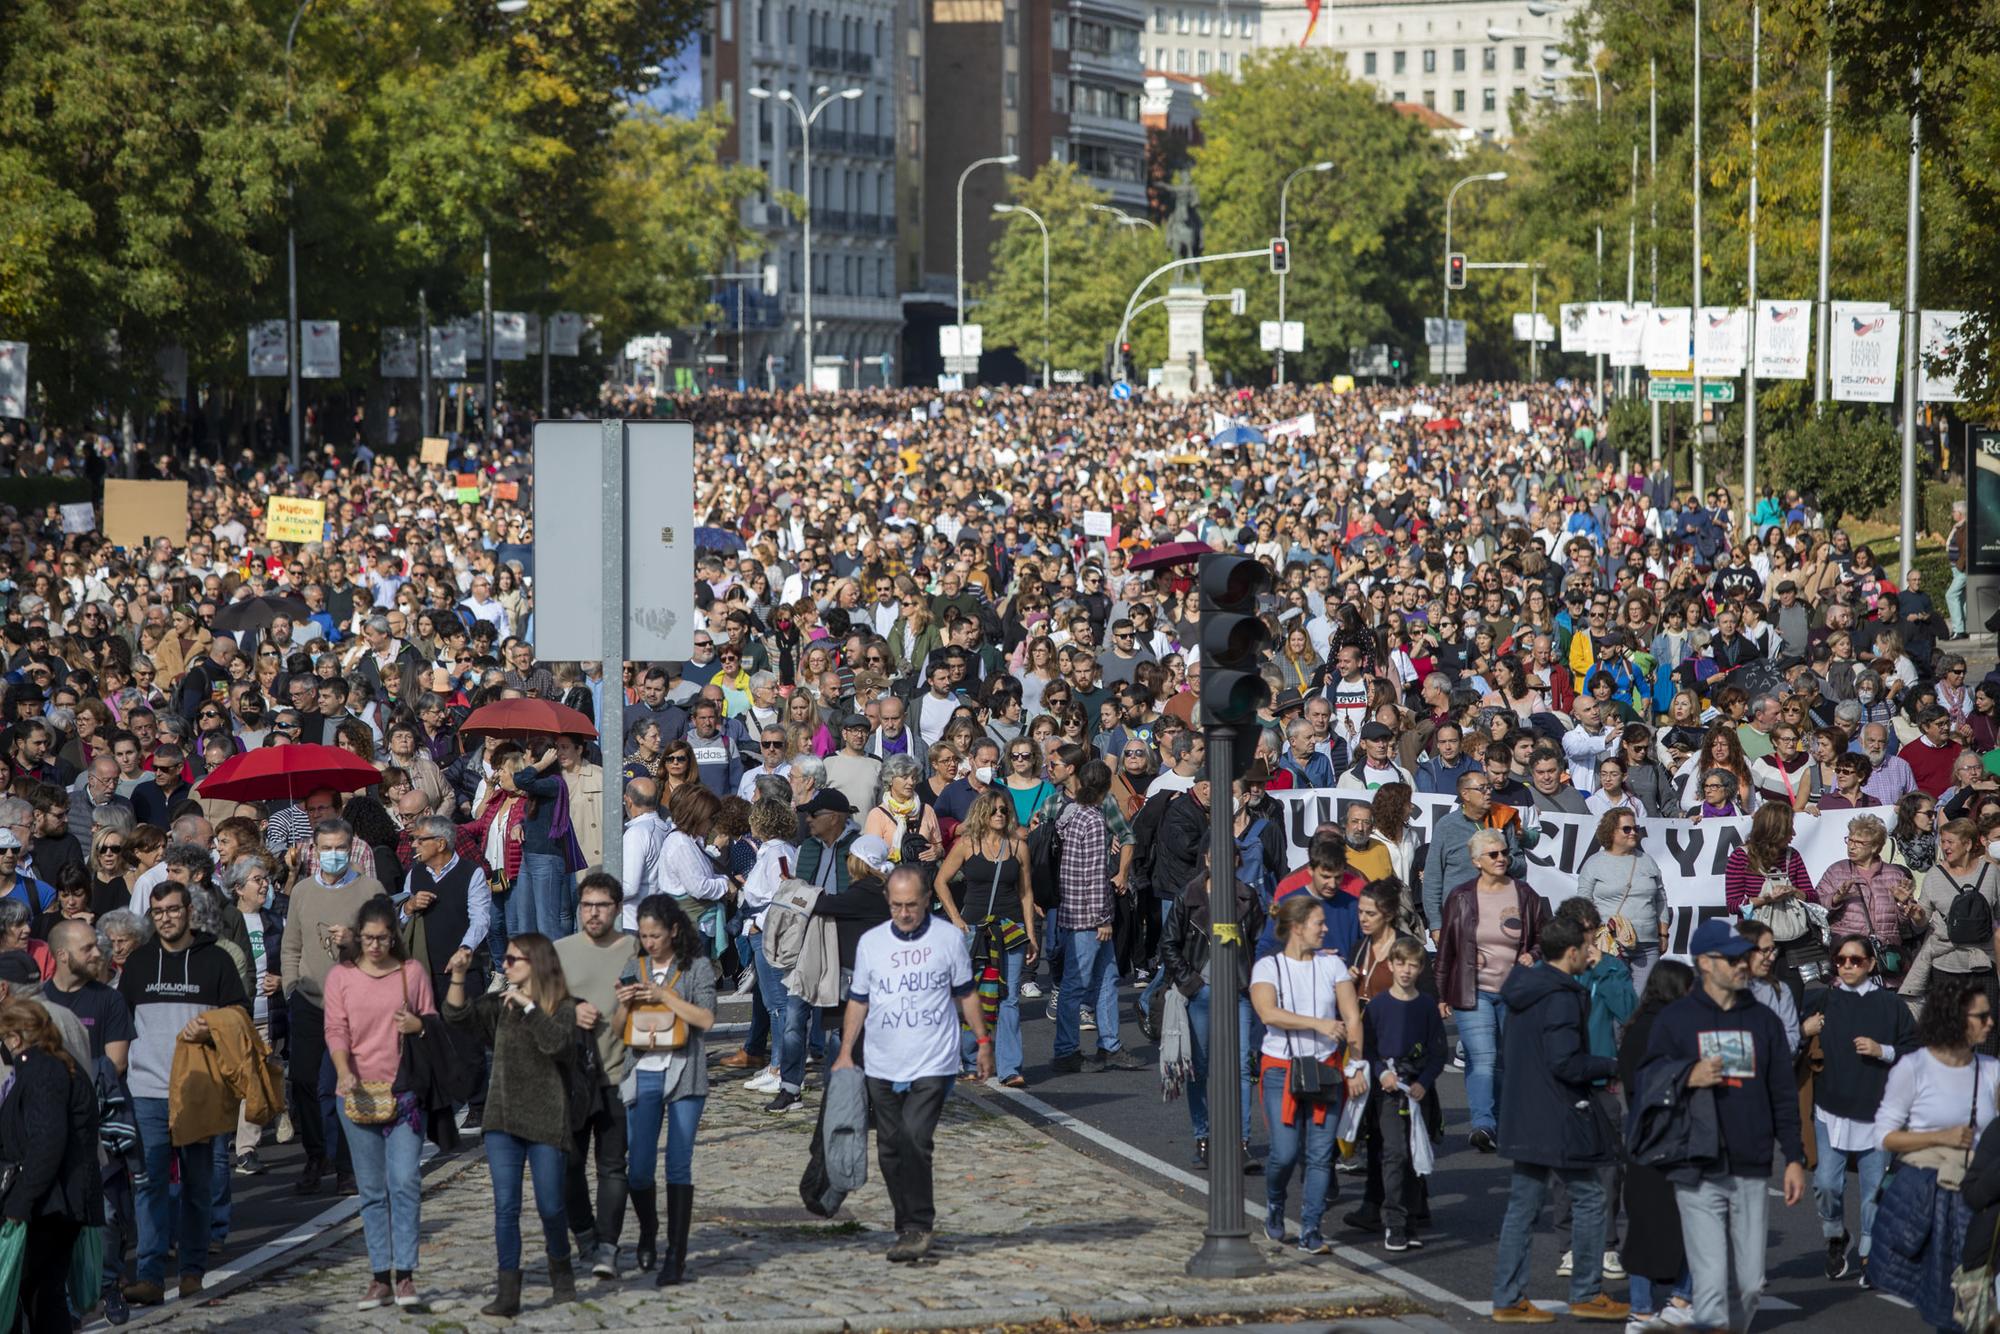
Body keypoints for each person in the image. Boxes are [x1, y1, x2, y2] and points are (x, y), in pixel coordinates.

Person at [1640, 918, 1808, 1334]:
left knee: (1749, 1285)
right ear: (1704, 963)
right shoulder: (1676, 1019)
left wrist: (1794, 1157)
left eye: (1743, 957)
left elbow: (1782, 1093)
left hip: (1752, 1164)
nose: (1741, 965)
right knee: (1711, 1281)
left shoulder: (1764, 1021)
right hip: (1697, 1162)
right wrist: (1687, 1075)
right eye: (1731, 959)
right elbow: (1646, 1078)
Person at [831, 866, 989, 1263]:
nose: (904, 913)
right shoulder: (871, 943)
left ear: (926, 901)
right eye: (897, 905)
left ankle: (919, 1224)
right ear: (888, 901)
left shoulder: (947, 939)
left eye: (912, 905)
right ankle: (906, 1225)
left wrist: (983, 1042)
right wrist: (846, 1051)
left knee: (915, 1137)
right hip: (882, 1061)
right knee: (889, 1148)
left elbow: (967, 993)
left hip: (933, 1058)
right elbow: (859, 1000)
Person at [1488, 914, 1629, 1324]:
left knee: (1523, 1206)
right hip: (1558, 1113)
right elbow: (1565, 1062)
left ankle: (1508, 1297)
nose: (1591, 952)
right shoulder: (1562, 995)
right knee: (1591, 1197)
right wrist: (1612, 1066)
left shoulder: (1523, 988)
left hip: (1524, 1111)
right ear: (1571, 952)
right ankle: (1586, 1291)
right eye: (1586, 946)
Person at [116, 878, 249, 1307]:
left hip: (199, 1089)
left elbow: (240, 1015)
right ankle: (150, 1276)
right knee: (149, 1185)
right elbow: (122, 1022)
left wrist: (211, 1027)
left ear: (189, 912)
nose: (166, 918)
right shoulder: (138, 963)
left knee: (196, 1184)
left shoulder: (217, 960)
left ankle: (192, 1272)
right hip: (147, 1090)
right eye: (158, 912)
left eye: (173, 910)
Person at [443, 933, 581, 1316]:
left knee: (550, 1206)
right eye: (504, 959)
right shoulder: (499, 1005)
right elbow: (457, 1017)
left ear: (536, 963)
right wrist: (458, 976)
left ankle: (560, 1266)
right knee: (506, 1207)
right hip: (502, 1119)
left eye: (512, 960)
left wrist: (529, 1007)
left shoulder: (563, 1006)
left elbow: (557, 1046)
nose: (505, 966)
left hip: (546, 1119)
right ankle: (509, 1292)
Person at [325, 896, 436, 1311]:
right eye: (368, 938)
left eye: (382, 939)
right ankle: (379, 1276)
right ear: (358, 937)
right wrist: (343, 1069)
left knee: (405, 1180)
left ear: (394, 938)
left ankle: (405, 1274)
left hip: (404, 1094)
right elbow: (335, 1029)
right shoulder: (341, 977)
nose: (374, 946)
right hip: (355, 1094)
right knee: (371, 1190)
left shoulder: (411, 973)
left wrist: (418, 1025)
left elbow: (432, 1022)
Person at [1871, 974, 2000, 1322]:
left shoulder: (1991, 1071)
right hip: (1933, 1196)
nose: (1990, 1023)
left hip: (1981, 1194)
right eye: (1981, 1016)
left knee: (1976, 1298)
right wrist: (1941, 1137)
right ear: (1954, 1019)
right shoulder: (1914, 1067)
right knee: (1948, 1303)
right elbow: (1884, 1136)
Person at [1249, 894, 1367, 1256]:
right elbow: (1268, 1013)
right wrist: (1318, 1023)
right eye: (1319, 923)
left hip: (1326, 1067)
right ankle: (1275, 1201)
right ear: (1298, 928)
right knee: (1284, 1153)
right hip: (1281, 1068)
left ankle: (1311, 1228)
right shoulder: (1268, 967)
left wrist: (1355, 1064)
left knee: (1320, 1156)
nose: (1326, 929)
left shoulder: (1332, 966)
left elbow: (1352, 1017)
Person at [1799, 934, 1913, 1284]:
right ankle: (1836, 1236)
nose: (1847, 966)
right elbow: (1787, 1040)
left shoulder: (1891, 1005)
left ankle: (1869, 1254)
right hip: (1829, 1109)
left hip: (1877, 1113)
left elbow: (1914, 1050)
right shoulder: (1822, 1000)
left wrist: (1883, 1051)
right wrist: (1804, 1030)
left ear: (1871, 964)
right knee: (1826, 1185)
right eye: (1841, 960)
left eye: (1856, 960)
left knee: (1873, 1192)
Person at [615, 894, 716, 1286]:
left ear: (674, 931)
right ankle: (648, 1229)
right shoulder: (634, 966)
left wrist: (664, 997)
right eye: (644, 936)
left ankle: (675, 1255)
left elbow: (705, 1019)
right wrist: (624, 1003)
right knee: (639, 1168)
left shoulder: (696, 967)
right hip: (643, 1071)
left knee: (678, 1162)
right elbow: (617, 1028)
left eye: (655, 935)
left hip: (684, 1072)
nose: (649, 943)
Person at [281, 816, 384, 1197]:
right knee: (304, 1080)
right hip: (309, 998)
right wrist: (291, 987)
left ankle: (347, 1165)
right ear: (315, 850)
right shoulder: (302, 891)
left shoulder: (370, 889)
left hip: (356, 1002)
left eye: (340, 848)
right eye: (326, 849)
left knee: (347, 1084)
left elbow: (387, 944)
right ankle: (316, 1154)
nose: (333, 855)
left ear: (351, 847)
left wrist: (355, 940)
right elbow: (291, 945)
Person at [1434, 828, 1549, 1153]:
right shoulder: (1460, 897)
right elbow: (1447, 949)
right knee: (1482, 1058)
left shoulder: (1524, 894)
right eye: (1493, 854)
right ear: (1476, 861)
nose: (1501, 859)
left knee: (1505, 1060)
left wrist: (1533, 954)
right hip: (1473, 991)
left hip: (1514, 992)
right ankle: (1482, 1124)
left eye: (1504, 853)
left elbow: (1544, 936)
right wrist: (1441, 995)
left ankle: (1499, 1121)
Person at [0, 997, 103, 1333]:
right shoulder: (55, 1064)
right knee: (38, 1292)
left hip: (50, 1205)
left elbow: (47, 1142)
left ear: (15, 1038)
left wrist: (20, 1202)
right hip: (57, 1200)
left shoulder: (42, 1071)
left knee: (39, 1293)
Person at [1159, 863, 1265, 1168]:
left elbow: (1261, 942)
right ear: (1208, 859)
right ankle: (1203, 1138)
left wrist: (1253, 981)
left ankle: (1241, 1142)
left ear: (1237, 862)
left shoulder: (1247, 897)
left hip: (1238, 991)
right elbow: (1169, 943)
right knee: (1200, 1067)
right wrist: (1190, 982)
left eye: (1232, 856)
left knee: (1241, 1066)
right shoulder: (1188, 896)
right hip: (1201, 993)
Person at [554, 873, 633, 1280]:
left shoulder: (635, 950)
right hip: (573, 1078)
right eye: (587, 905)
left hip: (620, 1075)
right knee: (568, 1165)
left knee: (612, 1166)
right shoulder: (560, 951)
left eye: (602, 905)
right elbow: (539, 1007)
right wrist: (570, 1010)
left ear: (617, 908)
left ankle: (607, 1246)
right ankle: (584, 1234)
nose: (594, 913)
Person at [932, 789, 1036, 1087]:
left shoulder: (1018, 847)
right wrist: (955, 918)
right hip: (974, 929)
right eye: (993, 811)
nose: (999, 815)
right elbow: (940, 881)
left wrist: (1031, 934)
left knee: (1009, 998)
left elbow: (1026, 893)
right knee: (973, 995)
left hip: (1011, 928)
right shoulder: (967, 844)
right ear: (982, 814)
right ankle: (969, 1060)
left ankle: (1010, 1068)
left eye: (1004, 810)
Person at [1617, 960, 1696, 1329]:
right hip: (1673, 1137)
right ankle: (1681, 1298)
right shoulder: (1672, 1031)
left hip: (1640, 1138)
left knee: (1643, 1227)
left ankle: (1641, 1307)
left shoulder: (1636, 1027)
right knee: (1691, 1222)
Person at [1357, 933, 1445, 1252]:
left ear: (1420, 969)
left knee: (1413, 1155)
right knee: (1394, 1153)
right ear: (1391, 966)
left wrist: (1425, 1081)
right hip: (1389, 1092)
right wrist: (1382, 1072)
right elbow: (1368, 1048)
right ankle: (1393, 1222)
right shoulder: (1378, 1006)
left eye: (1413, 965)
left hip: (1418, 1089)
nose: (1406, 970)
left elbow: (1438, 1051)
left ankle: (1410, 1221)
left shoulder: (1426, 1006)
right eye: (1401, 963)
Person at [1573, 807, 1669, 993]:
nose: (1633, 833)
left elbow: (1661, 899)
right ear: (1611, 832)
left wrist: (1663, 934)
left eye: (1635, 828)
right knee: (1615, 997)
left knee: (1641, 1000)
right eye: (1626, 829)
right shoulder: (1594, 864)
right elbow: (1583, 904)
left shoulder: (1647, 861)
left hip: (1647, 945)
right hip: (1611, 945)